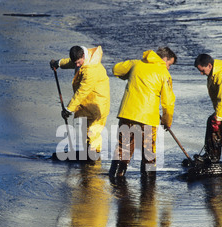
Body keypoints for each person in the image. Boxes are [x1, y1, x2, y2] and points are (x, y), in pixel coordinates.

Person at [109, 47, 177, 178]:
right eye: (169, 64)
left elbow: (116, 69)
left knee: (123, 149)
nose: (168, 68)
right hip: (148, 118)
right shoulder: (164, 73)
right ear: (164, 59)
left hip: (127, 114)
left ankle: (116, 179)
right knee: (149, 153)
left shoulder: (136, 64)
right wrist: (166, 121)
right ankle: (149, 183)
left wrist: (130, 72)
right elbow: (168, 103)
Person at [50, 46, 110, 160]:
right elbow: (71, 62)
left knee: (93, 132)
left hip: (98, 105)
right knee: (86, 131)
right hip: (89, 102)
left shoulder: (91, 70)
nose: (77, 65)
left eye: (78, 62)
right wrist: (59, 63)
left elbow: (81, 92)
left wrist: (69, 109)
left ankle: (93, 159)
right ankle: (89, 154)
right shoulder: (84, 59)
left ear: (83, 56)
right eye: (75, 63)